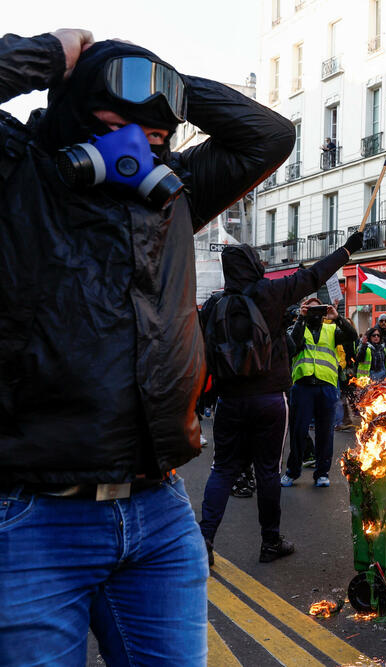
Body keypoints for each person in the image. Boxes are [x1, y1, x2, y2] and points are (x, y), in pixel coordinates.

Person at [0, 31, 294, 664]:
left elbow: (269, 135)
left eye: (156, 134)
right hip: (32, 518)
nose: (139, 145)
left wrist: (170, 83)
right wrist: (51, 56)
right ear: (73, 111)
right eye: (120, 124)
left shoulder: (172, 191)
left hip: (158, 512)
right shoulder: (15, 172)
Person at [198, 237, 361, 566]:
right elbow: (315, 275)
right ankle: (270, 542)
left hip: (229, 401)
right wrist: (347, 250)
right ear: (254, 265)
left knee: (223, 469)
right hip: (269, 398)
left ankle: (204, 539)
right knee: (268, 471)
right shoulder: (270, 293)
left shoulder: (214, 305)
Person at [282, 299, 354, 488]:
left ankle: (322, 473)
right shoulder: (297, 328)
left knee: (325, 433)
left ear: (324, 311)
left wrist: (337, 318)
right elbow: (291, 346)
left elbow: (352, 335)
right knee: (298, 432)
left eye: (317, 309)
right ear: (304, 310)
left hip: (326, 387)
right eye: (310, 308)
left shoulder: (331, 330)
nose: (314, 313)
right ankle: (292, 472)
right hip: (302, 387)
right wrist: (301, 319)